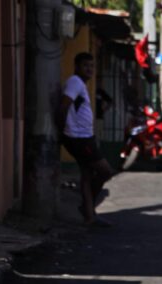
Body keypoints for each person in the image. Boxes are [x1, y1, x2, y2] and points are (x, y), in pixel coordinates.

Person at [58, 52, 114, 227]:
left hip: (84, 137)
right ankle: (86, 207)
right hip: (80, 138)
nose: (89, 69)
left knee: (87, 175)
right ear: (77, 67)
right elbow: (64, 105)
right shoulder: (75, 82)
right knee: (105, 171)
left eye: (91, 66)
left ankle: (89, 215)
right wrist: (62, 131)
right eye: (85, 66)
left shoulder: (80, 84)